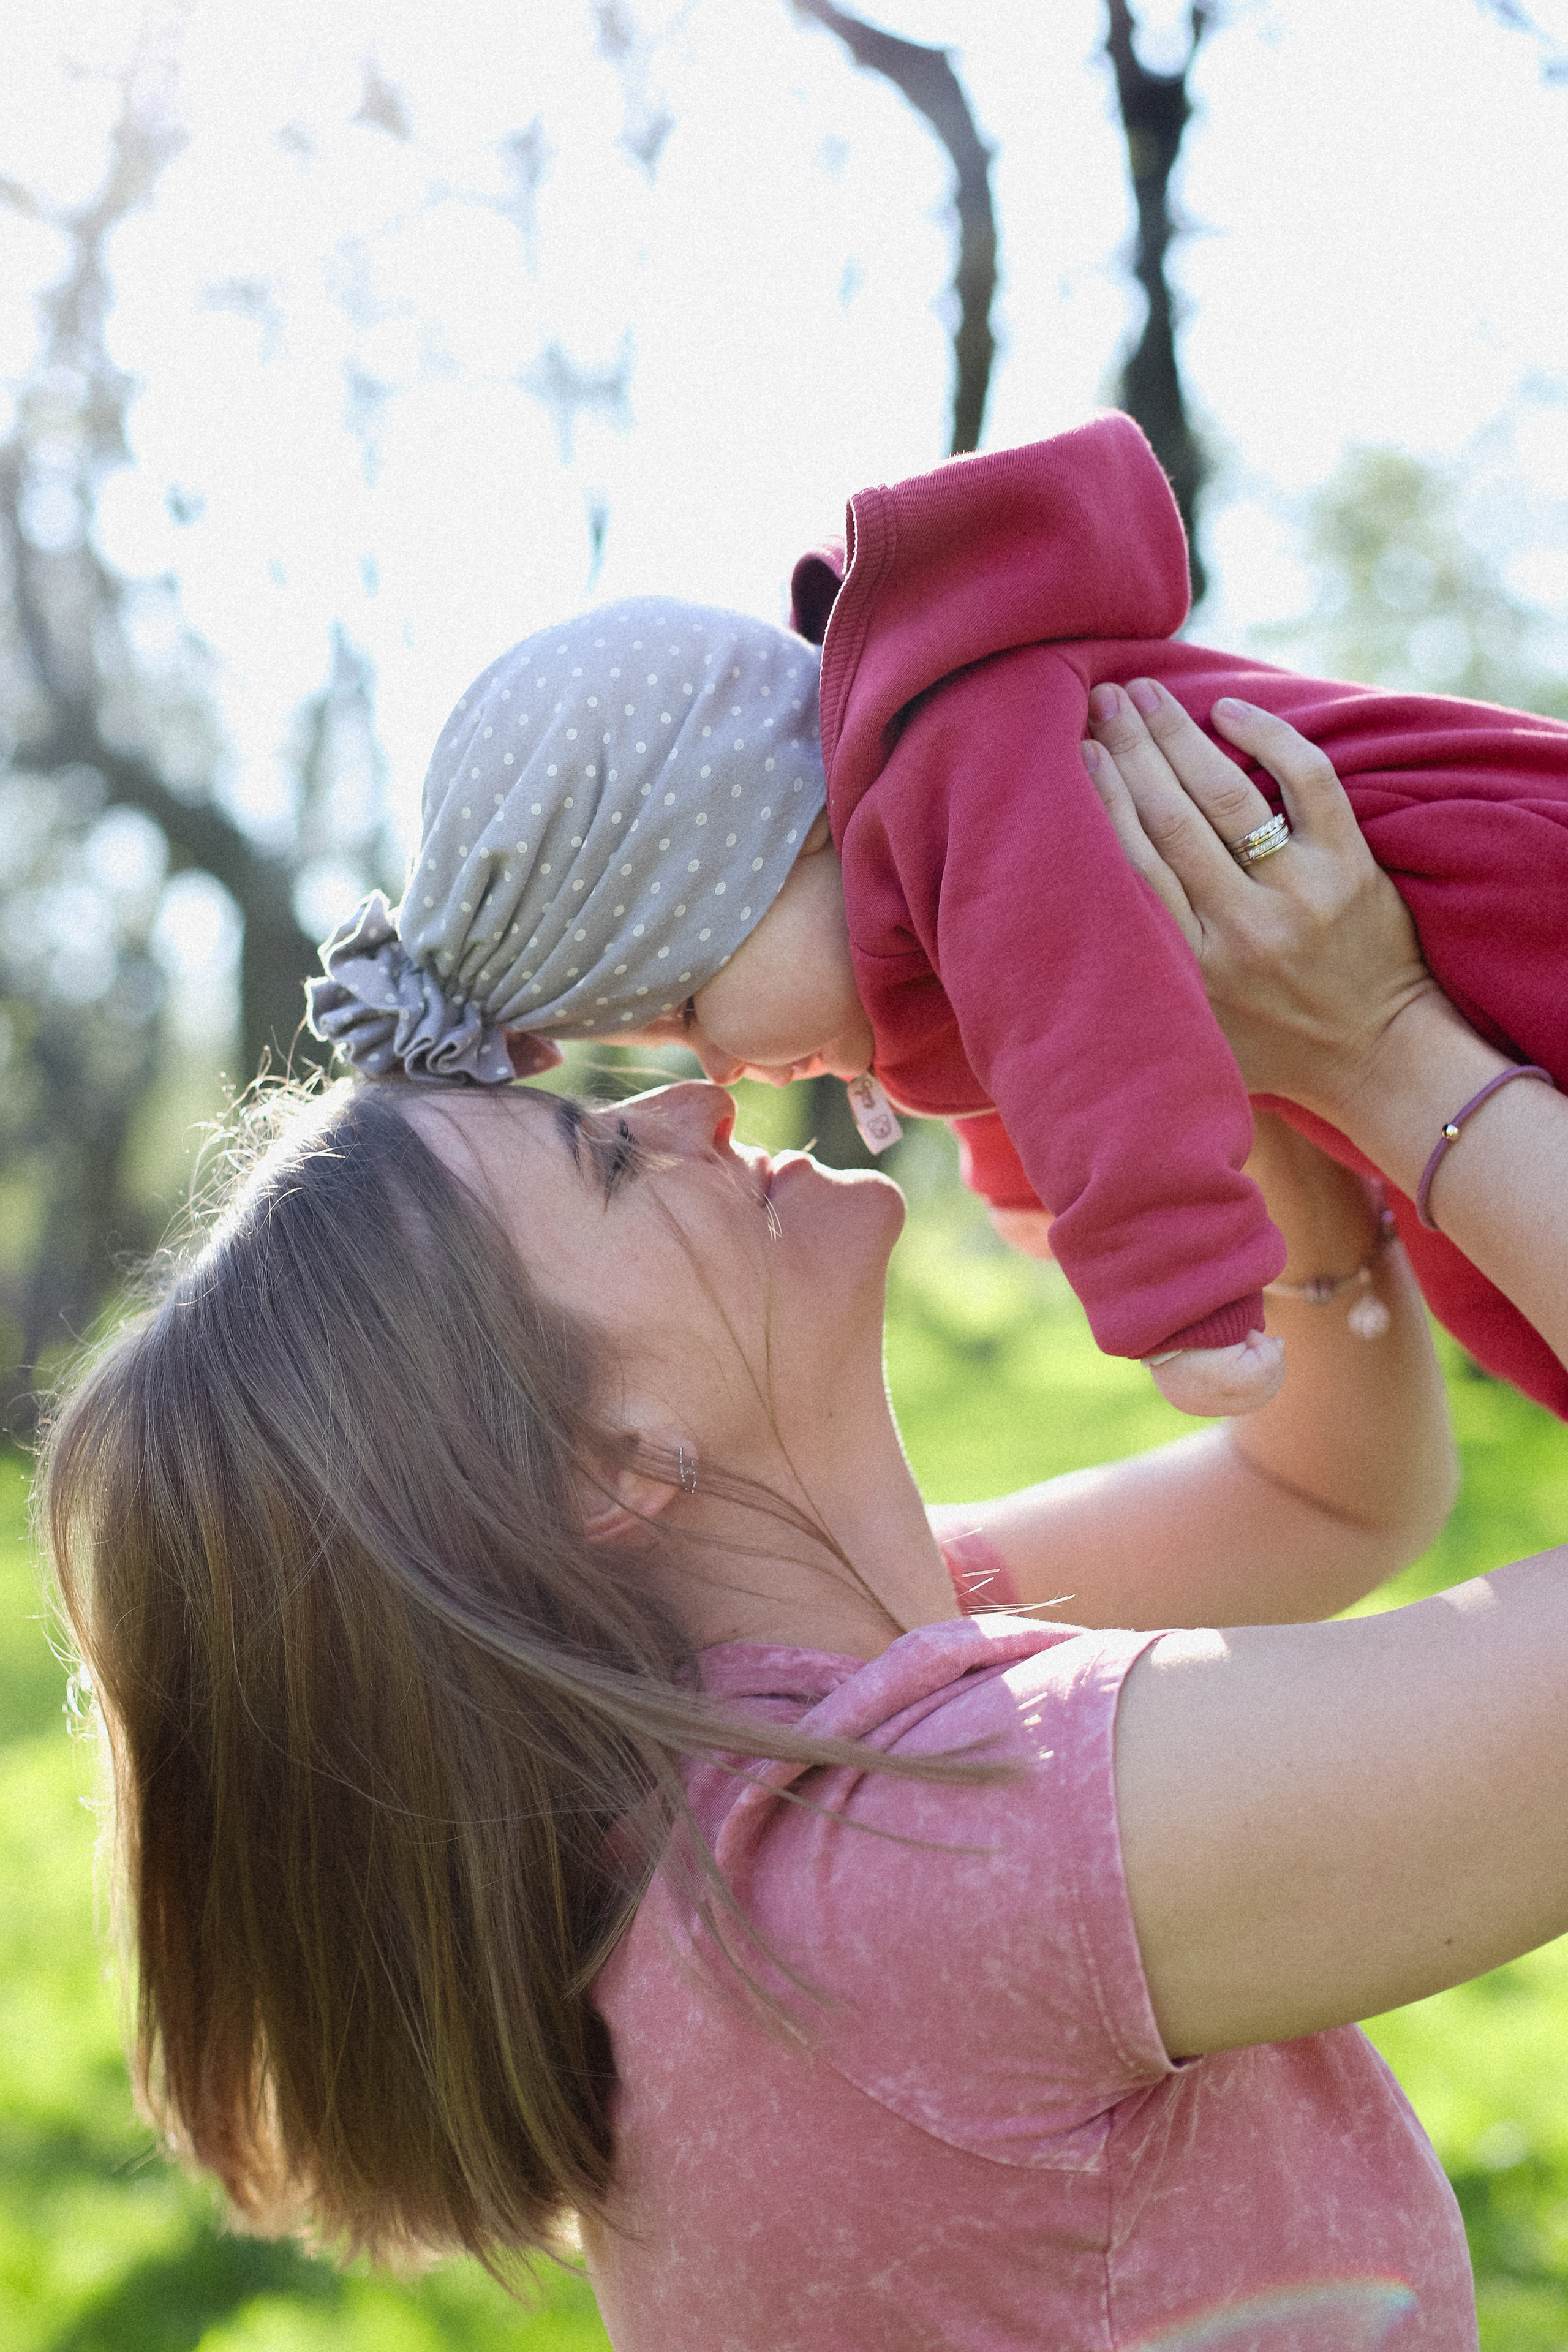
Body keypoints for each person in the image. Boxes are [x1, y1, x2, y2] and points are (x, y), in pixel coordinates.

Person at [38, 702, 1568, 2345]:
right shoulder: (938, 1859)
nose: (691, 1106)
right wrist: (1385, 1047)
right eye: (608, 1167)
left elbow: (1325, 1493)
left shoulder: (745, 1755)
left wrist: (1203, 1041)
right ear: (613, 1464)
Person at [306, 414, 1566, 1428]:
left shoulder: (956, 755)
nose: (728, 1070)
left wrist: (1172, 1277)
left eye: (691, 1006)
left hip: (1502, 884)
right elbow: (999, 1000)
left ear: (793, 834)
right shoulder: (919, 840)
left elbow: (1073, 1003)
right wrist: (1014, 1170)